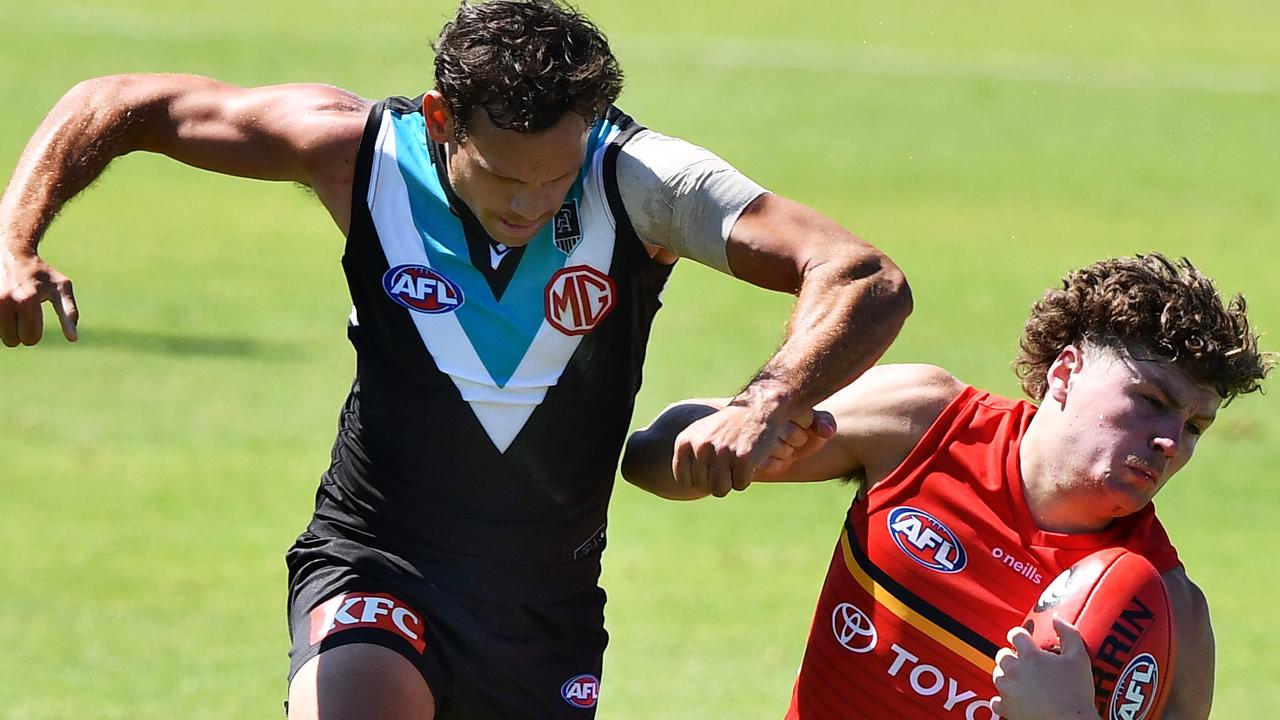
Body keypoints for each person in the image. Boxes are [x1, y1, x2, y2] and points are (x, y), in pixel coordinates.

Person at [0, 1, 913, 717]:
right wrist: (14, 238)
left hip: (541, 611)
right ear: (442, 118)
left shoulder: (642, 179)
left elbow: (861, 273)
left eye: (553, 179)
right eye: (504, 177)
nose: (530, 202)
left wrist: (765, 400)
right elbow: (121, 103)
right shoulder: (358, 154)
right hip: (373, 557)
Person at [623, 253, 1273, 719]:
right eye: (1150, 400)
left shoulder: (1164, 611)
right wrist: (721, 448)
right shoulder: (925, 423)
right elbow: (649, 456)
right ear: (1066, 373)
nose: (1171, 441)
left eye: (1194, 426)